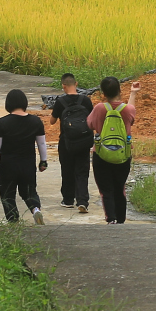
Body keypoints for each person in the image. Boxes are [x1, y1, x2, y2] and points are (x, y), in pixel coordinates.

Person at [0, 89, 47, 224]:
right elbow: (42, 143)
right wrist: (43, 161)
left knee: (7, 194)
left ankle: (13, 220)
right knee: (29, 191)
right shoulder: (35, 121)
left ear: (8, 104)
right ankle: (35, 209)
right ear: (24, 103)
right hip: (28, 165)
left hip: (8, 165)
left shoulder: (2, 122)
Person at [88, 76, 139, 224]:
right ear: (119, 89)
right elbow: (130, 114)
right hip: (123, 154)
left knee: (106, 190)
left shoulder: (99, 108)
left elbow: (90, 124)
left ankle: (111, 219)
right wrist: (133, 93)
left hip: (101, 154)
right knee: (119, 188)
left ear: (103, 93)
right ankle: (121, 220)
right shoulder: (128, 110)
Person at [49, 73, 94, 215]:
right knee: (82, 171)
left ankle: (68, 200)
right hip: (83, 141)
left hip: (66, 142)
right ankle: (82, 201)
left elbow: (51, 121)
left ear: (63, 86)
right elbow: (92, 121)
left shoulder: (60, 102)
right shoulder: (85, 100)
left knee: (67, 170)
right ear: (77, 83)